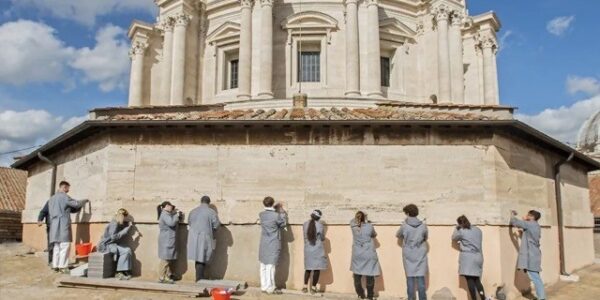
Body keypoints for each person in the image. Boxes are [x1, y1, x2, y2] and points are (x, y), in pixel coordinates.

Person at [47, 181, 88, 273]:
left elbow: (66, 208)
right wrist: (84, 201)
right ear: (64, 187)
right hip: (62, 223)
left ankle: (55, 265)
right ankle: (63, 266)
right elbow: (76, 204)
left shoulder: (52, 198)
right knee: (65, 245)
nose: (68, 190)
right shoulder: (64, 197)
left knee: (56, 246)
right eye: (68, 188)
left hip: (54, 223)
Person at [451, 215, 490, 300]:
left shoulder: (461, 230)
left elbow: (454, 238)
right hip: (478, 256)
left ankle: (474, 299)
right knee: (477, 280)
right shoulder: (478, 230)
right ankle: (483, 298)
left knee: (470, 280)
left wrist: (456, 228)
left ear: (460, 223)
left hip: (468, 258)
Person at [510, 210, 545, 300]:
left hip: (531, 255)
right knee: (536, 276)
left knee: (535, 277)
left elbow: (515, 222)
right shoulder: (536, 225)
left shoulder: (530, 224)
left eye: (528, 215)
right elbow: (530, 238)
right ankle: (541, 297)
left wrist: (513, 215)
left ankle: (542, 298)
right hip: (535, 253)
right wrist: (523, 233)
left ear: (532, 217)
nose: (526, 215)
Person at [396, 204, 428, 300]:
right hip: (420, 252)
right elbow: (426, 237)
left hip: (409, 253)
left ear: (408, 213)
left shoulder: (404, 225)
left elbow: (398, 235)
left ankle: (411, 298)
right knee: (421, 278)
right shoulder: (423, 225)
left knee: (410, 278)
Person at [187, 195, 221, 282]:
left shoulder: (193, 211)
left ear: (201, 201)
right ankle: (199, 279)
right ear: (208, 203)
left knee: (198, 258)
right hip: (204, 237)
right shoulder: (211, 212)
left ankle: (200, 277)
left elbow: (189, 222)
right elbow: (216, 225)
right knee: (202, 257)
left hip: (194, 237)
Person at [258, 196, 288, 295]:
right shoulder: (276, 215)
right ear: (272, 203)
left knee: (263, 265)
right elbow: (283, 224)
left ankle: (264, 286)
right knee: (271, 266)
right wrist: (282, 212)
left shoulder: (261, 214)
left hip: (264, 242)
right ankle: (270, 288)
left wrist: (274, 209)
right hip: (273, 242)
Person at [350, 211, 381, 300]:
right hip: (368, 253)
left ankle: (360, 294)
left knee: (357, 275)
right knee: (370, 275)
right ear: (364, 218)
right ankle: (370, 296)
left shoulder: (353, 226)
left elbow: (353, 220)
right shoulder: (369, 226)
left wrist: (360, 218)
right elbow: (374, 235)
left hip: (357, 254)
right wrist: (367, 221)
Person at [97, 208, 134, 280]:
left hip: (111, 244)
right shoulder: (114, 223)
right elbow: (114, 237)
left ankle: (124, 270)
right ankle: (119, 272)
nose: (125, 219)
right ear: (121, 216)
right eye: (124, 217)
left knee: (127, 249)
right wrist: (127, 229)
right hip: (106, 246)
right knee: (125, 251)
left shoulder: (115, 222)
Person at [302, 210, 328, 295]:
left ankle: (305, 287)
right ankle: (313, 288)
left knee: (308, 268)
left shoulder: (305, 224)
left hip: (308, 249)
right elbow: (323, 238)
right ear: (319, 217)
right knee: (317, 269)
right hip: (317, 250)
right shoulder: (320, 225)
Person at [157, 201, 182, 284]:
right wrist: (176, 215)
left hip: (168, 239)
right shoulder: (164, 214)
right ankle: (162, 277)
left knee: (169, 259)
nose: (172, 208)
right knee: (165, 259)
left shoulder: (167, 214)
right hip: (166, 240)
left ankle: (167, 275)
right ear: (167, 206)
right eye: (171, 206)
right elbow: (171, 223)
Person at [37, 200, 52, 266]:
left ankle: (58, 262)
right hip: (50, 225)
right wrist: (40, 219)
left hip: (59, 226)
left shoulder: (63, 200)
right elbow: (43, 211)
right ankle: (51, 261)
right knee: (51, 244)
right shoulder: (50, 202)